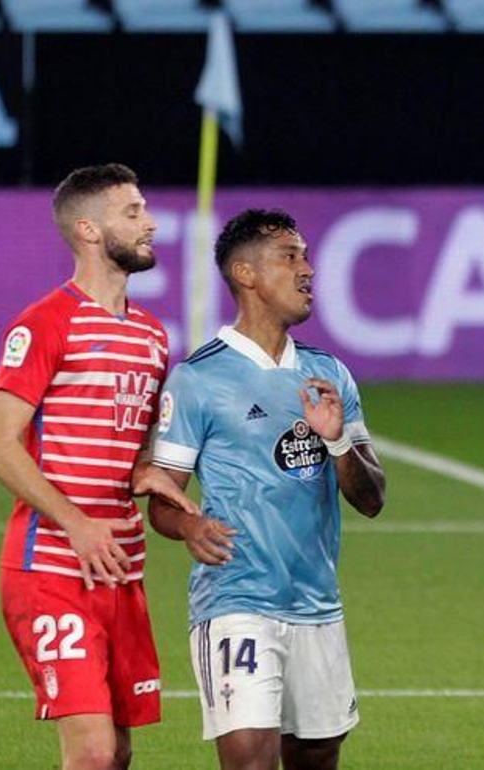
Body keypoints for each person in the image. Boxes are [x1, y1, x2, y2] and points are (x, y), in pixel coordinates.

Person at [147, 208, 387, 770]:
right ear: (245, 274)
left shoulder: (330, 375)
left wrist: (336, 443)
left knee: (316, 759)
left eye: (305, 255)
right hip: (236, 600)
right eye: (290, 256)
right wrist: (190, 525)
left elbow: (372, 498)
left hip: (317, 604)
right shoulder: (199, 378)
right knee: (250, 762)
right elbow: (162, 497)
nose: (308, 268)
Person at [0, 162, 196, 770]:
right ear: (88, 230)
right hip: (51, 566)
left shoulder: (152, 337)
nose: (150, 222)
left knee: (119, 751)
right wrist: (74, 521)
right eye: (132, 212)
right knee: (94, 752)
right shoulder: (45, 322)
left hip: (120, 568)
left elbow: (133, 440)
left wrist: (149, 469)